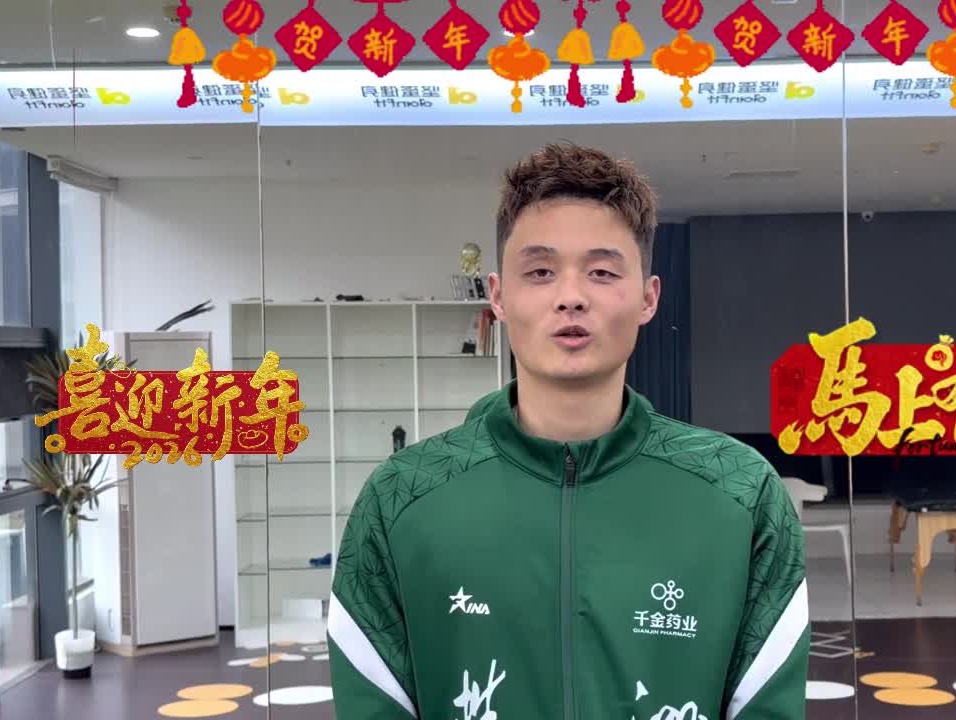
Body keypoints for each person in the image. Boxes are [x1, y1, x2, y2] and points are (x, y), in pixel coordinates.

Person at [328, 142, 810, 719]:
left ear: (648, 298)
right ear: (498, 296)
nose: (572, 297)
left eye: (602, 272)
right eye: (540, 271)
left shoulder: (740, 493)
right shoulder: (401, 499)